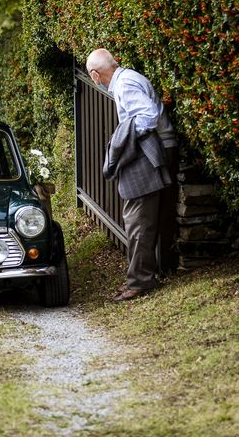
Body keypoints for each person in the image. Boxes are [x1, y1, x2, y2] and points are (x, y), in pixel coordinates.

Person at [86, 48, 178, 302]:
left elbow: (148, 116)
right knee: (143, 218)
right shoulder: (127, 79)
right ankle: (144, 276)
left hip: (151, 152)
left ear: (94, 74)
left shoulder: (125, 85)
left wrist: (122, 139)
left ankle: (140, 282)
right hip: (156, 149)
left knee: (138, 220)